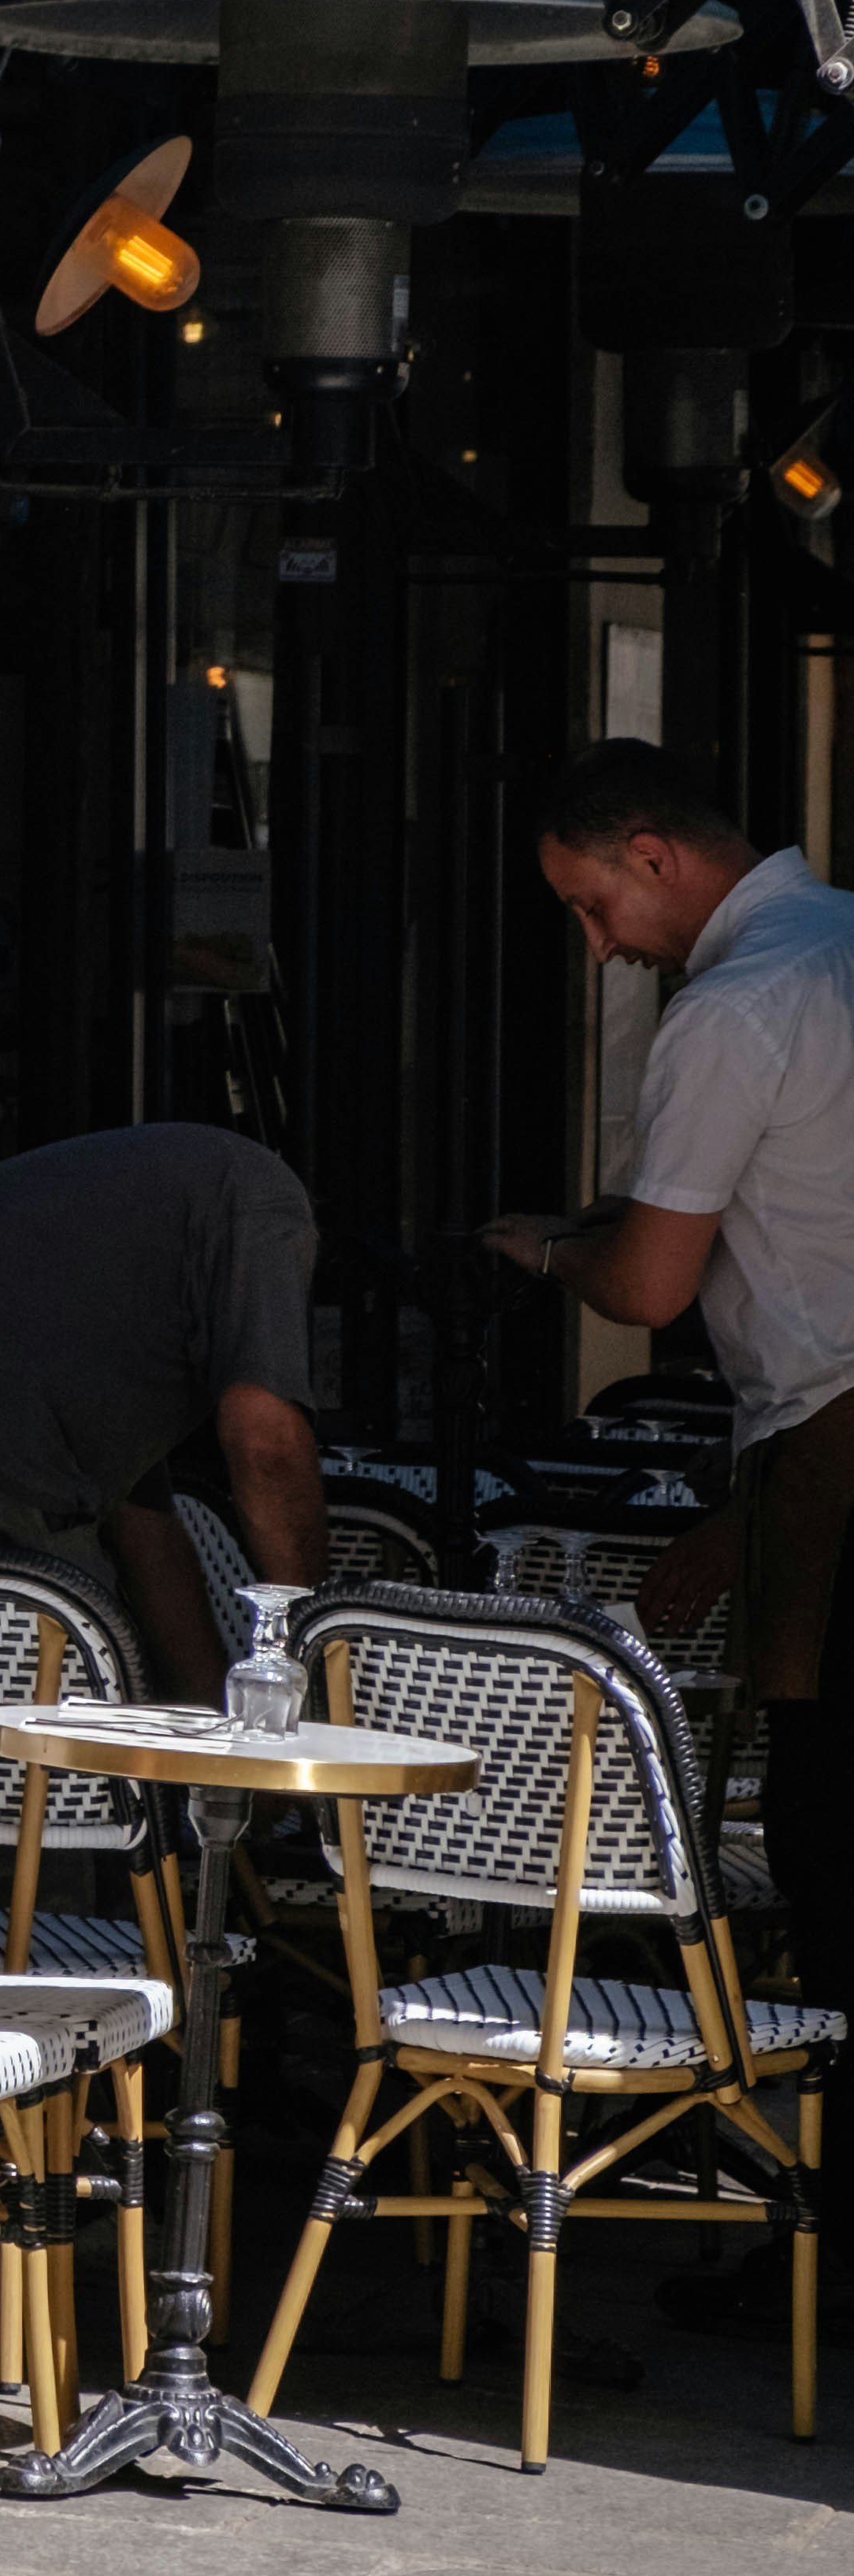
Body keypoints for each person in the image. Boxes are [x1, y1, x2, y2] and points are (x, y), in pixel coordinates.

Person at [487, 738, 854, 2014]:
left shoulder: (734, 1007)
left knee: (820, 1809)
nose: (601, 947)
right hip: (810, 1448)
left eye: (595, 907)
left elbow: (650, 1286)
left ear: (654, 855)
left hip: (830, 1439)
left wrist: (547, 1250)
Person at [0, 1122, 325, 1700]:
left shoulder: (121, 1238)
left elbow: (149, 1540)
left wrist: (222, 1728)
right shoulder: (265, 1197)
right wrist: (309, 1663)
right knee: (83, 1756)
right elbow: (266, 1444)